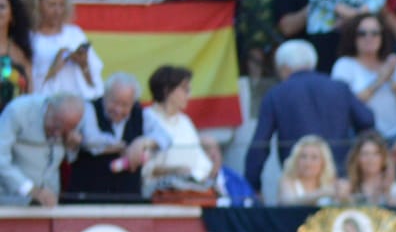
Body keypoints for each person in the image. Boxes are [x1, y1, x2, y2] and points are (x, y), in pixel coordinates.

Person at [244, 39, 376, 192]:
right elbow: (367, 120)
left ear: (285, 68)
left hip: (298, 184)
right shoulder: (339, 88)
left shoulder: (276, 94)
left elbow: (260, 145)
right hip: (339, 180)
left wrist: (252, 188)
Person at [332, 14, 396, 174]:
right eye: (362, 33)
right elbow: (346, 104)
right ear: (353, 37)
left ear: (382, 36)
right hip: (362, 140)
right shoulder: (344, 65)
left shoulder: (394, 65)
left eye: (375, 33)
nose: (369, 38)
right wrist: (380, 79)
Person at [69, 72, 168, 203]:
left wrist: (141, 142)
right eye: (114, 102)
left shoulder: (141, 114)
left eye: (125, 105)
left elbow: (166, 138)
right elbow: (92, 141)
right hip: (89, 196)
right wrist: (123, 146)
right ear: (105, 95)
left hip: (128, 197)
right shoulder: (89, 108)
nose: (118, 109)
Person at [140, 64, 217, 200]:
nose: (189, 95)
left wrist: (214, 162)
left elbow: (202, 164)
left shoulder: (185, 121)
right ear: (167, 90)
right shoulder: (147, 117)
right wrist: (175, 170)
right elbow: (146, 168)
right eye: (185, 90)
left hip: (191, 192)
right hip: (160, 194)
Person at [0, 91, 83, 207]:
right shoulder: (18, 111)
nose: (58, 133)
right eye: (57, 126)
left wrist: (72, 148)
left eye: (64, 130)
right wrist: (30, 189)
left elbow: (69, 159)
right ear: (50, 108)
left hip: (48, 203)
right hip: (10, 202)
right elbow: (1, 158)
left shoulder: (69, 120)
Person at [28, 0, 103, 100]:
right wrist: (53, 69)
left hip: (77, 105)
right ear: (37, 5)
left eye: (61, 5)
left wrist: (83, 64)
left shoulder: (75, 33)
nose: (58, 11)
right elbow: (26, 84)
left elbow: (95, 86)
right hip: (44, 106)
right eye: (52, 5)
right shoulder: (30, 38)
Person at [341, 129, 396, 205]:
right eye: (365, 154)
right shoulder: (348, 188)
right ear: (357, 158)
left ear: (383, 158)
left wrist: (390, 197)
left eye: (376, 153)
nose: (370, 159)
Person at [278, 134, 340, 204]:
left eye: (314, 157)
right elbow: (287, 202)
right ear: (296, 160)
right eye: (303, 157)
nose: (308, 163)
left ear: (324, 162)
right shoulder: (287, 180)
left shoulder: (330, 180)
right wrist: (321, 193)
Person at [0, 0, 32, 117]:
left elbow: (29, 90)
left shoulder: (20, 52)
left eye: (1, 7)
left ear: (12, 15)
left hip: (15, 119)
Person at [200, 133, 257, 205]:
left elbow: (252, 205)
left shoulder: (236, 180)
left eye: (216, 148)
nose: (213, 153)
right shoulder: (194, 181)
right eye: (207, 149)